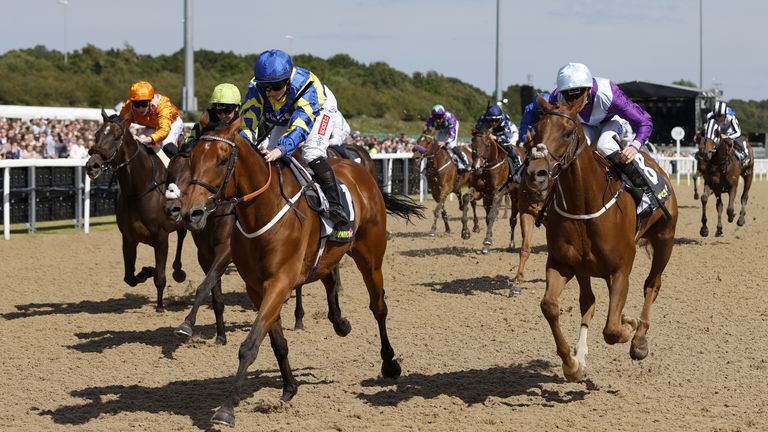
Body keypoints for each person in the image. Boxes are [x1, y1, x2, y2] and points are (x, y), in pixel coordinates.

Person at [239, 49, 348, 227]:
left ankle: (336, 205)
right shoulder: (255, 88)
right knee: (266, 158)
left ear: (288, 80)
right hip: (283, 112)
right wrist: (246, 145)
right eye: (266, 87)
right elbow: (248, 123)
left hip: (319, 110)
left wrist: (280, 150)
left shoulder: (306, 86)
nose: (271, 92)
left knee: (311, 152)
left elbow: (300, 126)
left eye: (276, 86)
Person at [546, 62, 669, 220]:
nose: (574, 102)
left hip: (610, 121)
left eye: (578, 96)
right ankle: (552, 199)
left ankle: (647, 191)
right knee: (572, 148)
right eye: (569, 96)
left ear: (588, 88)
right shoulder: (556, 97)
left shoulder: (609, 93)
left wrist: (634, 146)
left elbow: (644, 121)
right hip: (584, 125)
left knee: (605, 144)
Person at [118, 81, 184, 162]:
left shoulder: (163, 105)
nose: (140, 108)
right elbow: (122, 126)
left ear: (150, 101)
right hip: (152, 126)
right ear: (132, 102)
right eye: (136, 104)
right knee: (138, 143)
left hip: (172, 123)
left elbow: (164, 130)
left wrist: (145, 139)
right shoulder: (128, 107)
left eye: (144, 104)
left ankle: (183, 165)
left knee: (166, 144)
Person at [183, 83, 242, 150]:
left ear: (237, 108)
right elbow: (188, 143)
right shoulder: (202, 124)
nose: (222, 115)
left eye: (227, 111)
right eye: (218, 111)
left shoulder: (245, 125)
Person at [474, 103, 521, 168]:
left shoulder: (505, 122)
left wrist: (495, 137)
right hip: (493, 132)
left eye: (496, 121)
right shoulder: (483, 119)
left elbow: (508, 138)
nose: (493, 123)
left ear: (500, 118)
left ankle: (516, 160)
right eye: (491, 120)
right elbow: (477, 131)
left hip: (509, 134)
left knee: (505, 144)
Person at [422, 104, 467, 170]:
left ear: (443, 116)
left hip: (451, 128)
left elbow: (452, 136)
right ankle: (428, 166)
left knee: (450, 145)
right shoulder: (431, 119)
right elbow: (427, 128)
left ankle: (464, 162)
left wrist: (444, 142)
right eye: (435, 118)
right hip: (441, 129)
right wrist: (426, 128)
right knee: (435, 144)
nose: (437, 120)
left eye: (439, 117)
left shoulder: (450, 119)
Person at [705, 100, 749, 167]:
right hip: (720, 128)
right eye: (717, 116)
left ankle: (744, 154)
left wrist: (727, 136)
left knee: (734, 140)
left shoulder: (731, 117)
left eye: (720, 116)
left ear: (725, 114)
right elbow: (708, 130)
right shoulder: (710, 116)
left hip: (730, 129)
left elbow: (738, 133)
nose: (718, 118)